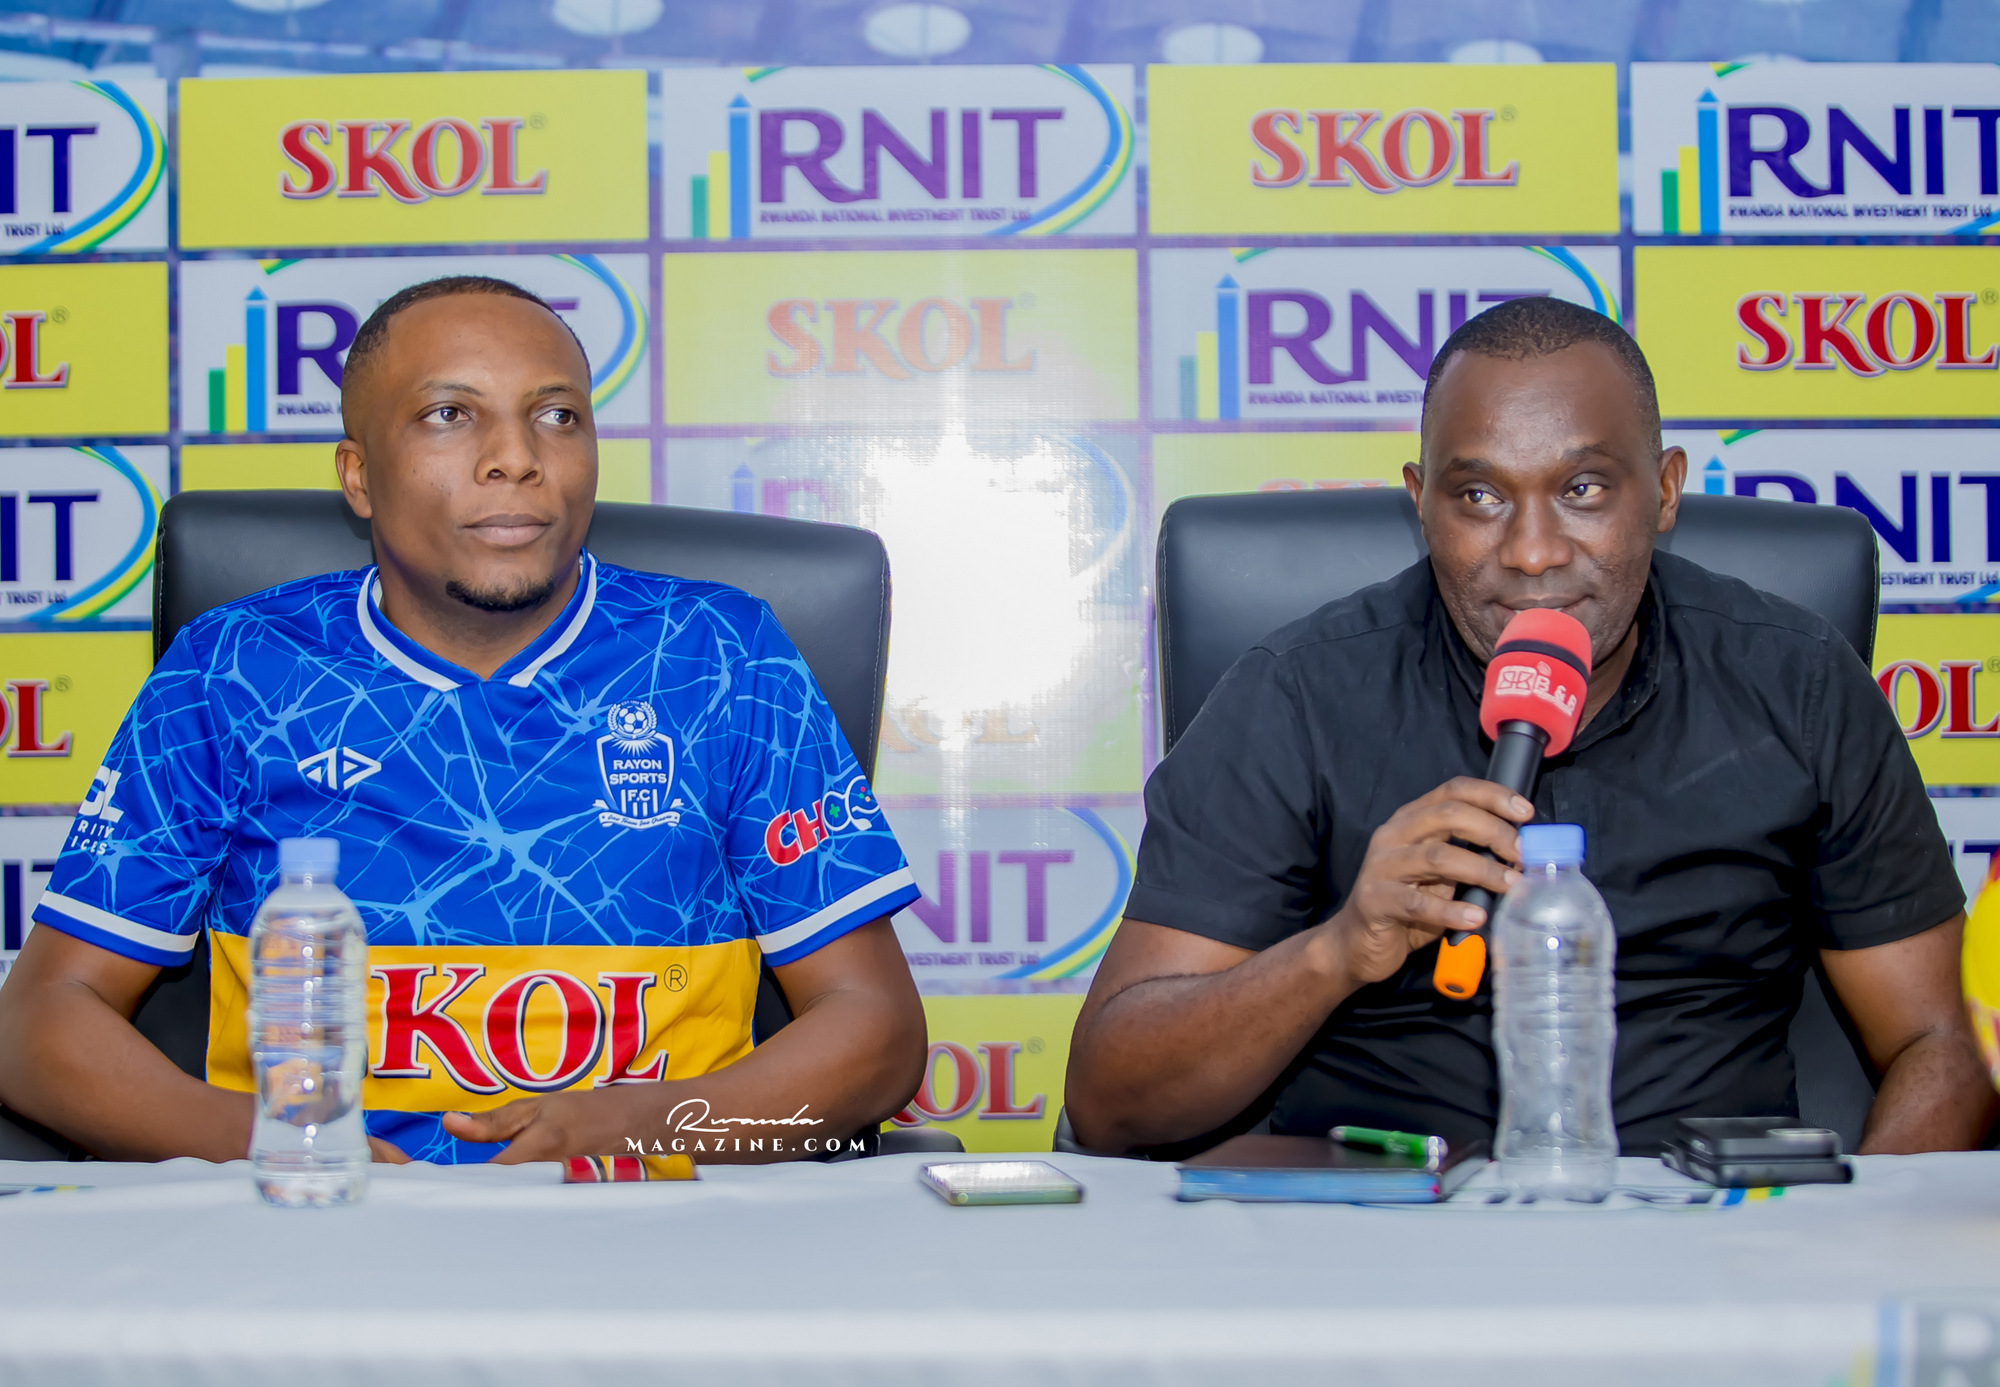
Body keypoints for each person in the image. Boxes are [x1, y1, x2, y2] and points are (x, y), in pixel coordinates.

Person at [0, 276, 927, 1165]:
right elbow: (40, 1022)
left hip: (651, 1213)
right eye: (450, 414)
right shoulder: (235, 668)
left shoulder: (720, 654)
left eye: (557, 416)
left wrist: (633, 1127)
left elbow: (876, 1030)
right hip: (319, 1224)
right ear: (359, 477)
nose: (516, 457)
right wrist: (291, 1147)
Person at [1066, 296, 1996, 1158]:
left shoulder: (1797, 681)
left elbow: (1943, 1041)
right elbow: (1112, 1103)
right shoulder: (1297, 695)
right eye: (1480, 496)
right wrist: (1338, 949)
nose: (1533, 552)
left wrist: (1838, 1251)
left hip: (1717, 1227)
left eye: (1584, 488)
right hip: (1383, 1233)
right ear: (1420, 501)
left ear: (1665, 490)